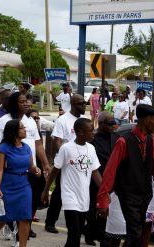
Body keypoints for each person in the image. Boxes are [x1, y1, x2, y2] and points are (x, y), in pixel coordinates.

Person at [97, 104, 154, 247]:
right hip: (127, 195)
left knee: (136, 233)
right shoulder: (123, 141)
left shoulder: (152, 141)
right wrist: (103, 201)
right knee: (135, 233)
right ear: (145, 120)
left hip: (145, 195)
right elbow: (109, 173)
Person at [0, 92, 51, 243]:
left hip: (28, 171)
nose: (27, 104)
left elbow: (38, 144)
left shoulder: (30, 122)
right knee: (4, 216)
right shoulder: (3, 121)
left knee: (26, 214)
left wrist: (45, 164)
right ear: (15, 103)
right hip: (9, 174)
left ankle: (20, 241)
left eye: (27, 101)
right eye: (22, 101)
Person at [42, 118, 101, 247]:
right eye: (91, 130)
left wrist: (104, 191)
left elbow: (95, 172)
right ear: (80, 132)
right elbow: (55, 171)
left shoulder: (91, 148)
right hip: (70, 197)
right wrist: (45, 191)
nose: (94, 132)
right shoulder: (66, 148)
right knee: (74, 233)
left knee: (76, 234)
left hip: (84, 197)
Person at [0, 119, 41, 247]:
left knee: (25, 218)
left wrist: (36, 170)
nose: (25, 130)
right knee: (2, 218)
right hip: (7, 185)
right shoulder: (3, 148)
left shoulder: (26, 147)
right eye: (22, 128)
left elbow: (31, 166)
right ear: (14, 132)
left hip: (24, 185)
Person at [45, 94, 87, 234]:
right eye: (81, 103)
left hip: (81, 163)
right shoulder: (63, 120)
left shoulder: (83, 121)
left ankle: (79, 225)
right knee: (59, 192)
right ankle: (50, 222)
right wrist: (65, 157)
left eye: (85, 103)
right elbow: (57, 140)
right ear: (74, 104)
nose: (84, 105)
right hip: (66, 163)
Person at [84, 112, 118, 246]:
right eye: (110, 123)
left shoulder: (117, 137)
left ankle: (102, 237)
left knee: (107, 211)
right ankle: (89, 234)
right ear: (102, 123)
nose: (113, 125)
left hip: (112, 181)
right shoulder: (93, 139)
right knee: (93, 210)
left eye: (113, 122)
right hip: (95, 179)